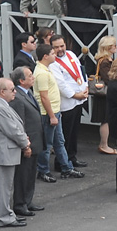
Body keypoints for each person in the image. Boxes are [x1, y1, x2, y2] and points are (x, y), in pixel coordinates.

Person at [33, 42, 82, 183]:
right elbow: (43, 96)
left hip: (55, 112)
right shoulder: (41, 73)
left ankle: (66, 168)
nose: (56, 55)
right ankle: (43, 170)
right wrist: (52, 116)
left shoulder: (46, 69)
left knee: (59, 142)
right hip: (48, 114)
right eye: (53, 53)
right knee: (47, 145)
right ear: (45, 56)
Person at [0, 75, 32, 227]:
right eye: (12, 90)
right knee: (4, 188)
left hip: (6, 151)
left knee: (6, 186)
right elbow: (12, 130)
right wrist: (25, 143)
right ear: (1, 91)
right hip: (4, 153)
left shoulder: (2, 105)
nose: (15, 92)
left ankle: (8, 214)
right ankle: (5, 217)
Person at [9, 66, 44, 217]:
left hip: (35, 140)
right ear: (21, 80)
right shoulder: (17, 98)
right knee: (23, 174)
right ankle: (20, 203)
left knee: (31, 173)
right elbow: (19, 122)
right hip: (27, 142)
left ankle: (28, 201)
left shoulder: (27, 92)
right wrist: (25, 144)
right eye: (30, 76)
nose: (33, 78)